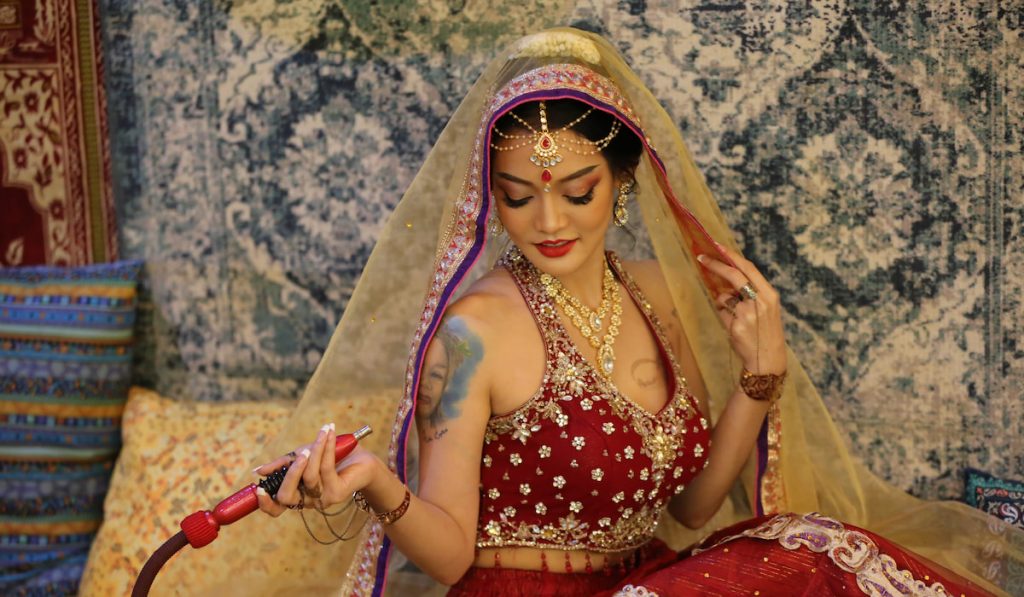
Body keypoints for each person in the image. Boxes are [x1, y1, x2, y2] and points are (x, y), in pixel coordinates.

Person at [247, 29, 1020, 596]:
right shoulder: (472, 334)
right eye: (518, 197)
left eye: (576, 191)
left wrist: (760, 380)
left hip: (649, 578)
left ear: (621, 181)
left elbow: (688, 505)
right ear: (493, 197)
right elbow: (449, 559)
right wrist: (378, 481)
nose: (548, 221)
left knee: (813, 548)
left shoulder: (655, 293)